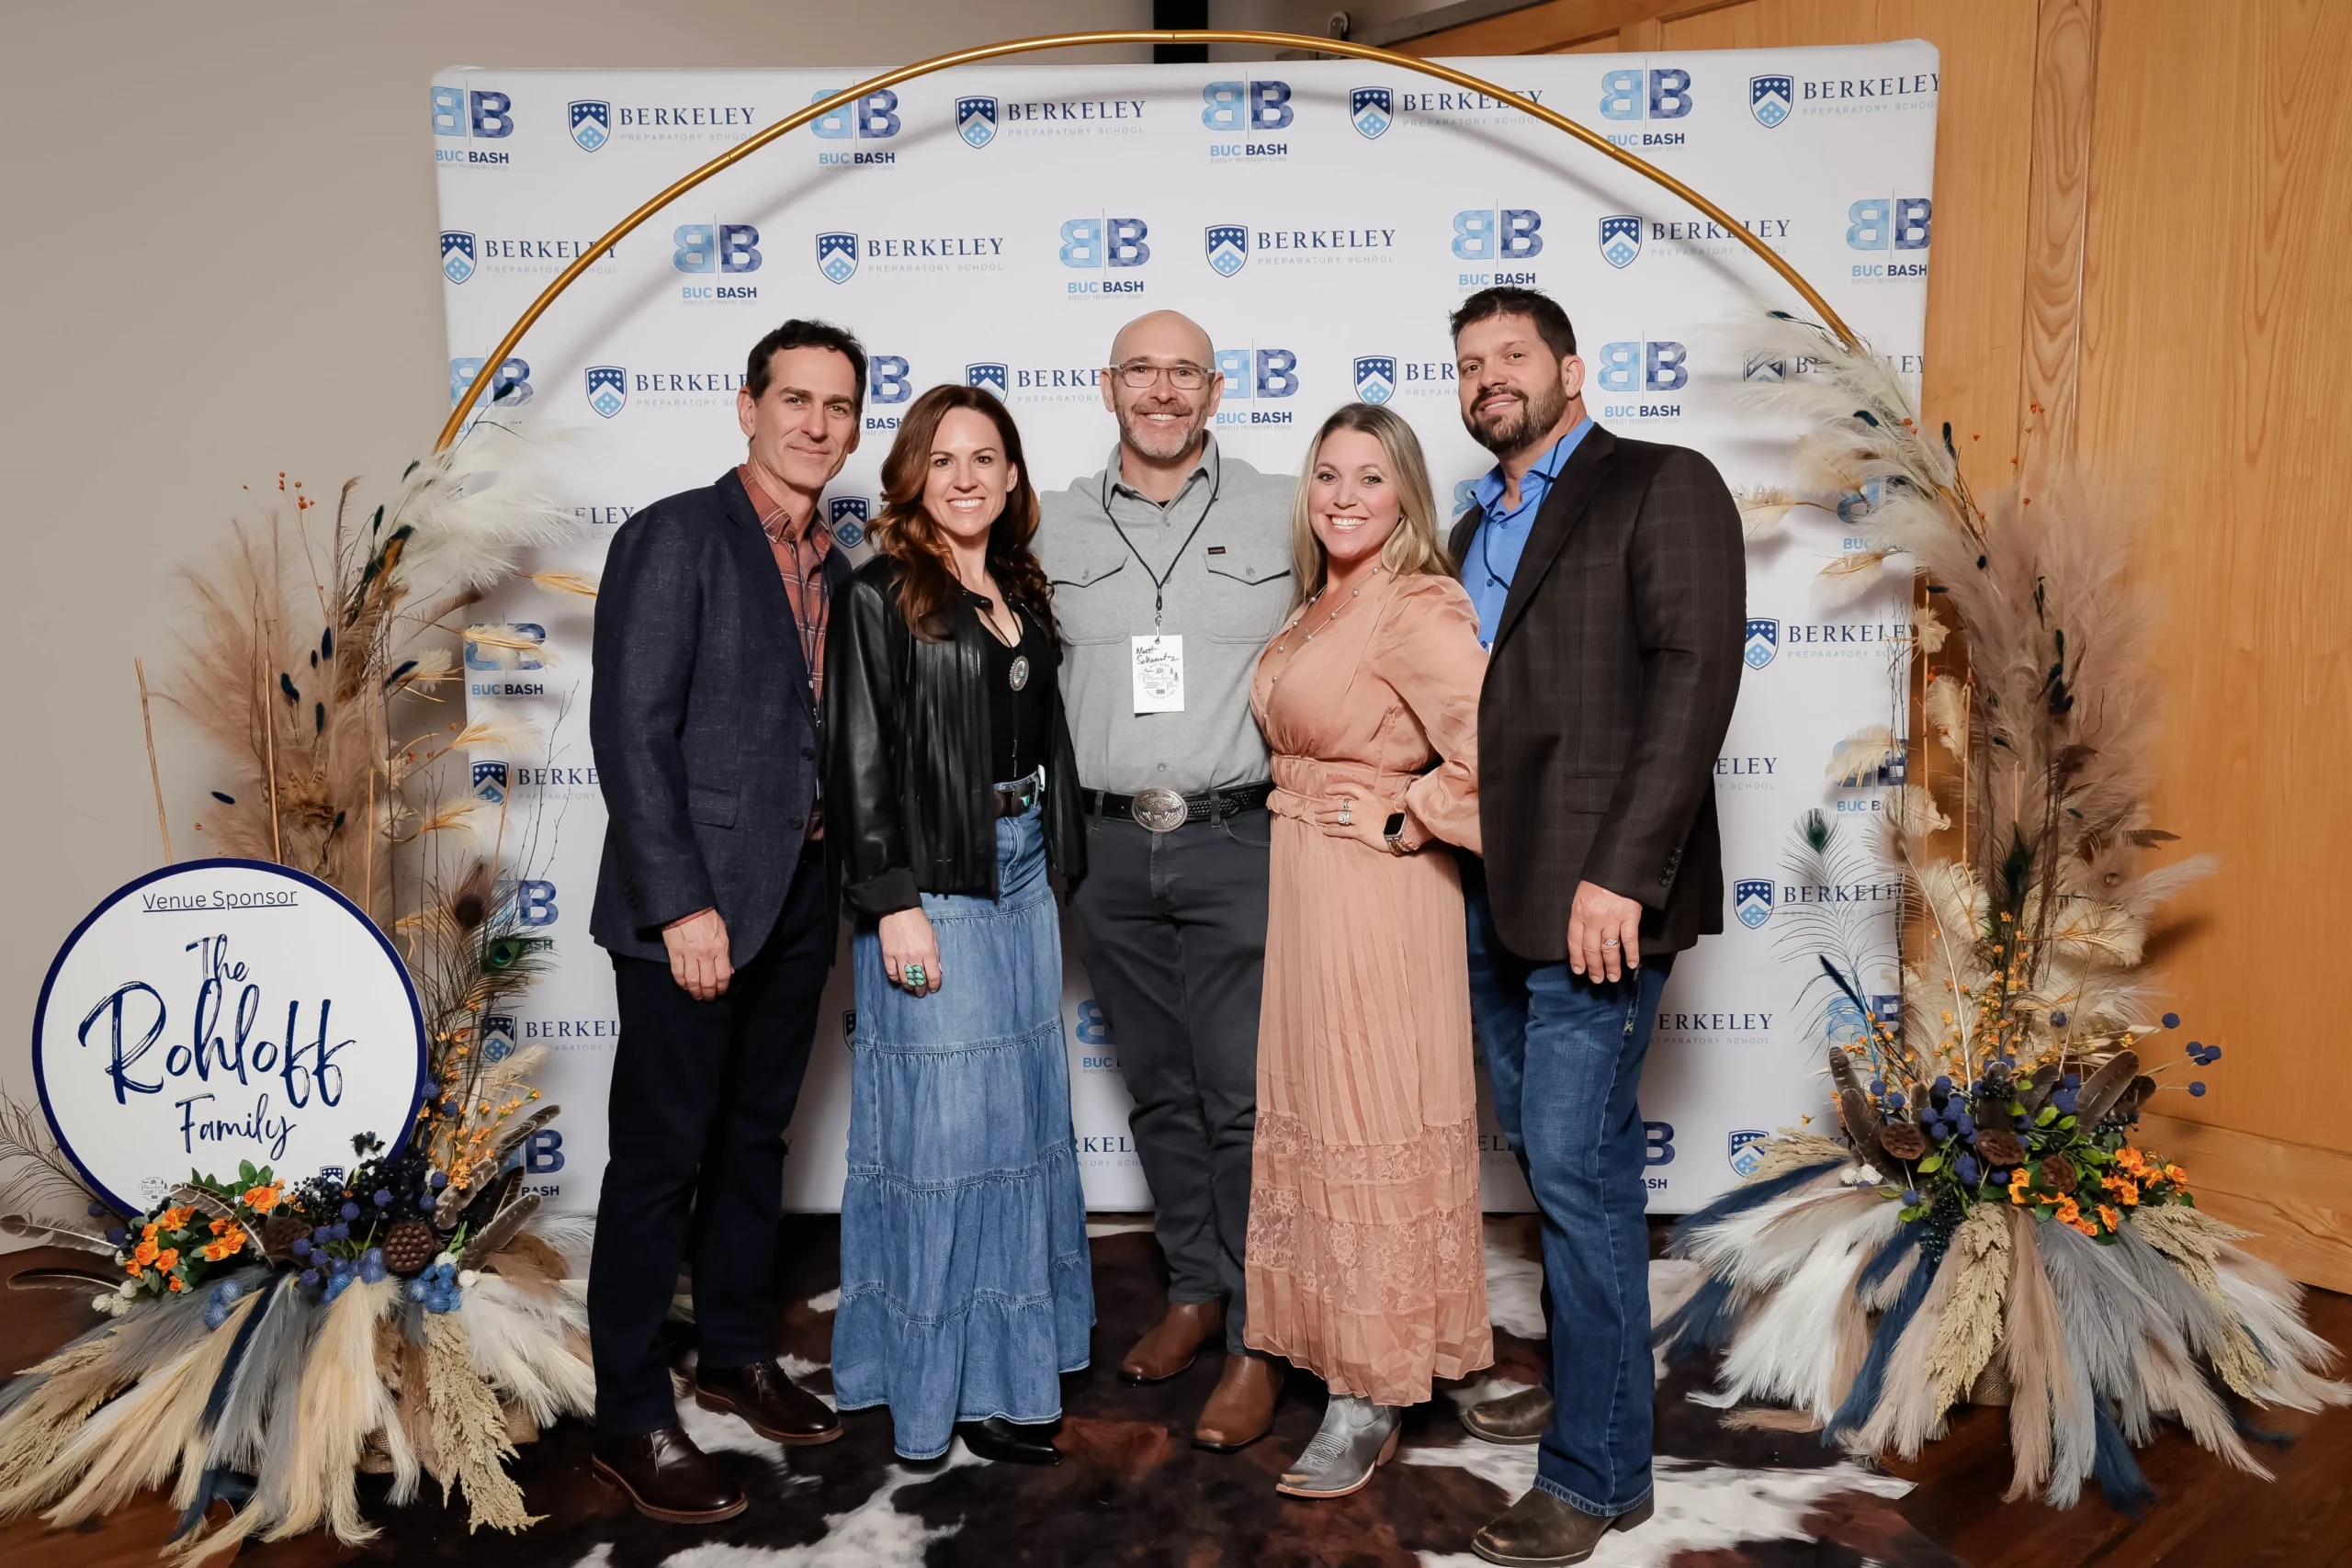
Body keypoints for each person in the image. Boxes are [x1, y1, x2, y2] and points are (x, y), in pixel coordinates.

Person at [1442, 286, 1745, 1566]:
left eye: (1512, 354)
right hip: (1488, 895)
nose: (1489, 377)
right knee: (1571, 1169)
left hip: (1595, 906)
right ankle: (1602, 1419)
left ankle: (1593, 1474)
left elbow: (1694, 678)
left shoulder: (1662, 482)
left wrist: (1622, 873)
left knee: (1574, 1171)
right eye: (1470, 363)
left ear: (1572, 369)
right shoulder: (1471, 525)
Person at [584, 320, 864, 1523]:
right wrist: (682, 904)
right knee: (660, 1162)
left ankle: (736, 1351)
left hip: (800, 890)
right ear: (747, 406)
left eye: (837, 405)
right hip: (690, 907)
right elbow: (631, 730)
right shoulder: (677, 535)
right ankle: (629, 1411)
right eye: (794, 398)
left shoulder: (838, 568)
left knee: (755, 1139)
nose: (815, 422)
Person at [1036, 310, 1296, 1450]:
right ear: (1107, 387)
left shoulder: (1286, 507)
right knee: (1157, 1086)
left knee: (1241, 1095)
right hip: (1103, 845)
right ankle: (1194, 1289)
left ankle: (1258, 1335)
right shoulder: (1040, 519)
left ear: (1216, 389)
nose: (1161, 390)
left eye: (1183, 372)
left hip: (1239, 839)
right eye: (1139, 370)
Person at [825, 383, 1094, 1467]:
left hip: (1022, 872)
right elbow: (856, 758)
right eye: (943, 460)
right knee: (945, 1138)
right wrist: (893, 904)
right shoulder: (881, 592)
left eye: (985, 458)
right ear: (912, 477)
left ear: (1013, 474)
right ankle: (942, 1391)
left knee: (1014, 1127)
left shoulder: (1016, 584)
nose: (966, 477)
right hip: (933, 877)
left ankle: (1010, 1379)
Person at [1244, 403, 1493, 1500]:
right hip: (1307, 885)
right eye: (1327, 476)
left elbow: (1498, 749)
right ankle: (1388, 1349)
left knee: (1369, 1116)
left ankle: (1369, 1394)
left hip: (1375, 896)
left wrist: (1410, 816)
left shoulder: (1415, 604)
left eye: (1370, 478)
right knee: (1327, 1114)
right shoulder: (1319, 604)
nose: (1343, 498)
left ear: (1405, 498)